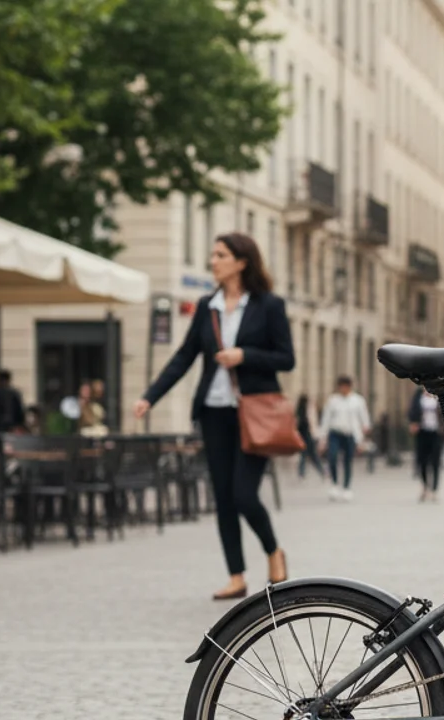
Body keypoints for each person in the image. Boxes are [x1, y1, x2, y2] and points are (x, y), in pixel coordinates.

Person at [134, 232, 292, 600]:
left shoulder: (269, 305)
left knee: (243, 494)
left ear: (241, 262)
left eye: (220, 255)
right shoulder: (208, 306)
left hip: (253, 414)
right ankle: (236, 575)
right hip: (213, 413)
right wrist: (150, 396)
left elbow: (286, 358)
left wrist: (245, 356)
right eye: (212, 255)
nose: (213, 261)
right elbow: (184, 356)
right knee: (223, 496)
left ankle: (273, 550)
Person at [408, 387, 444, 502]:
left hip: (436, 433)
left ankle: (434, 489)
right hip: (422, 433)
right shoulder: (418, 397)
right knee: (422, 461)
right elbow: (412, 412)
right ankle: (424, 487)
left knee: (435, 462)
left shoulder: (438, 395)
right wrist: (413, 423)